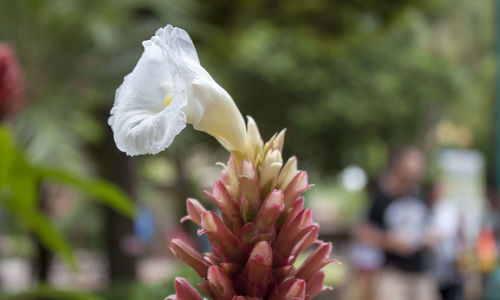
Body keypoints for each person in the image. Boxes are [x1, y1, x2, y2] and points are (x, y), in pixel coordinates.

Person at [355, 146, 439, 300]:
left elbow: (430, 228)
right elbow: (362, 232)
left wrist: (431, 238)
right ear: (399, 167)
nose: (415, 171)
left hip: (422, 274)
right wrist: (389, 241)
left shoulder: (421, 197)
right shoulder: (382, 197)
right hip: (393, 274)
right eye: (411, 165)